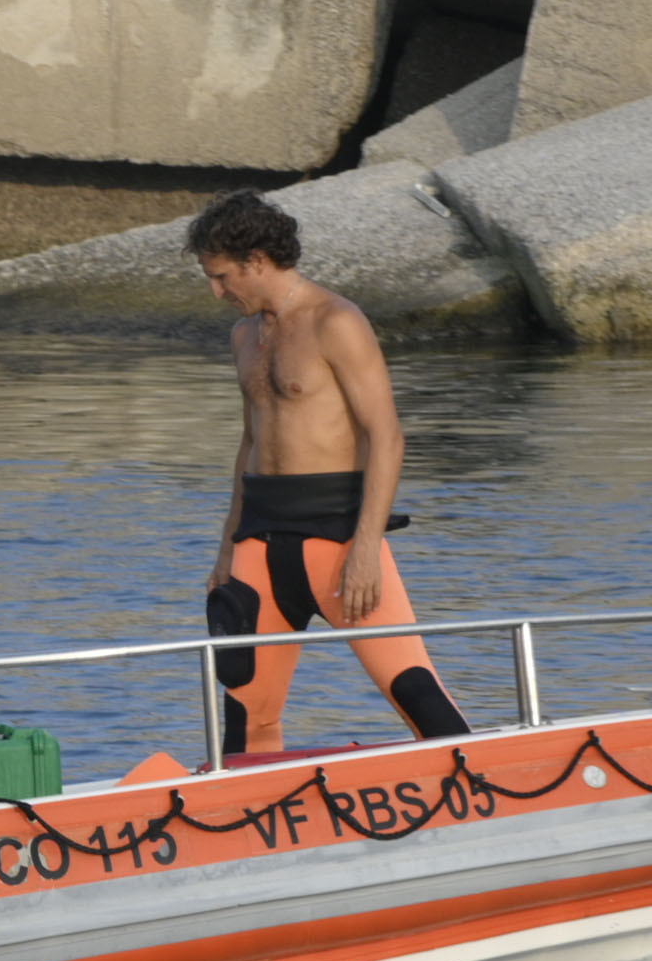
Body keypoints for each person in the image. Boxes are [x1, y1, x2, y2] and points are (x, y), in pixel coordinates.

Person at [190, 192, 476, 758]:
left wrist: (366, 546)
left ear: (256, 260)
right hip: (259, 543)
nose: (216, 292)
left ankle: (493, 797)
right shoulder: (245, 336)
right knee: (247, 722)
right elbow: (251, 441)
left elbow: (386, 435)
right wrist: (226, 546)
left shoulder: (335, 321)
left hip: (338, 542)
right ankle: (254, 826)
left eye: (221, 277)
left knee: (416, 694)